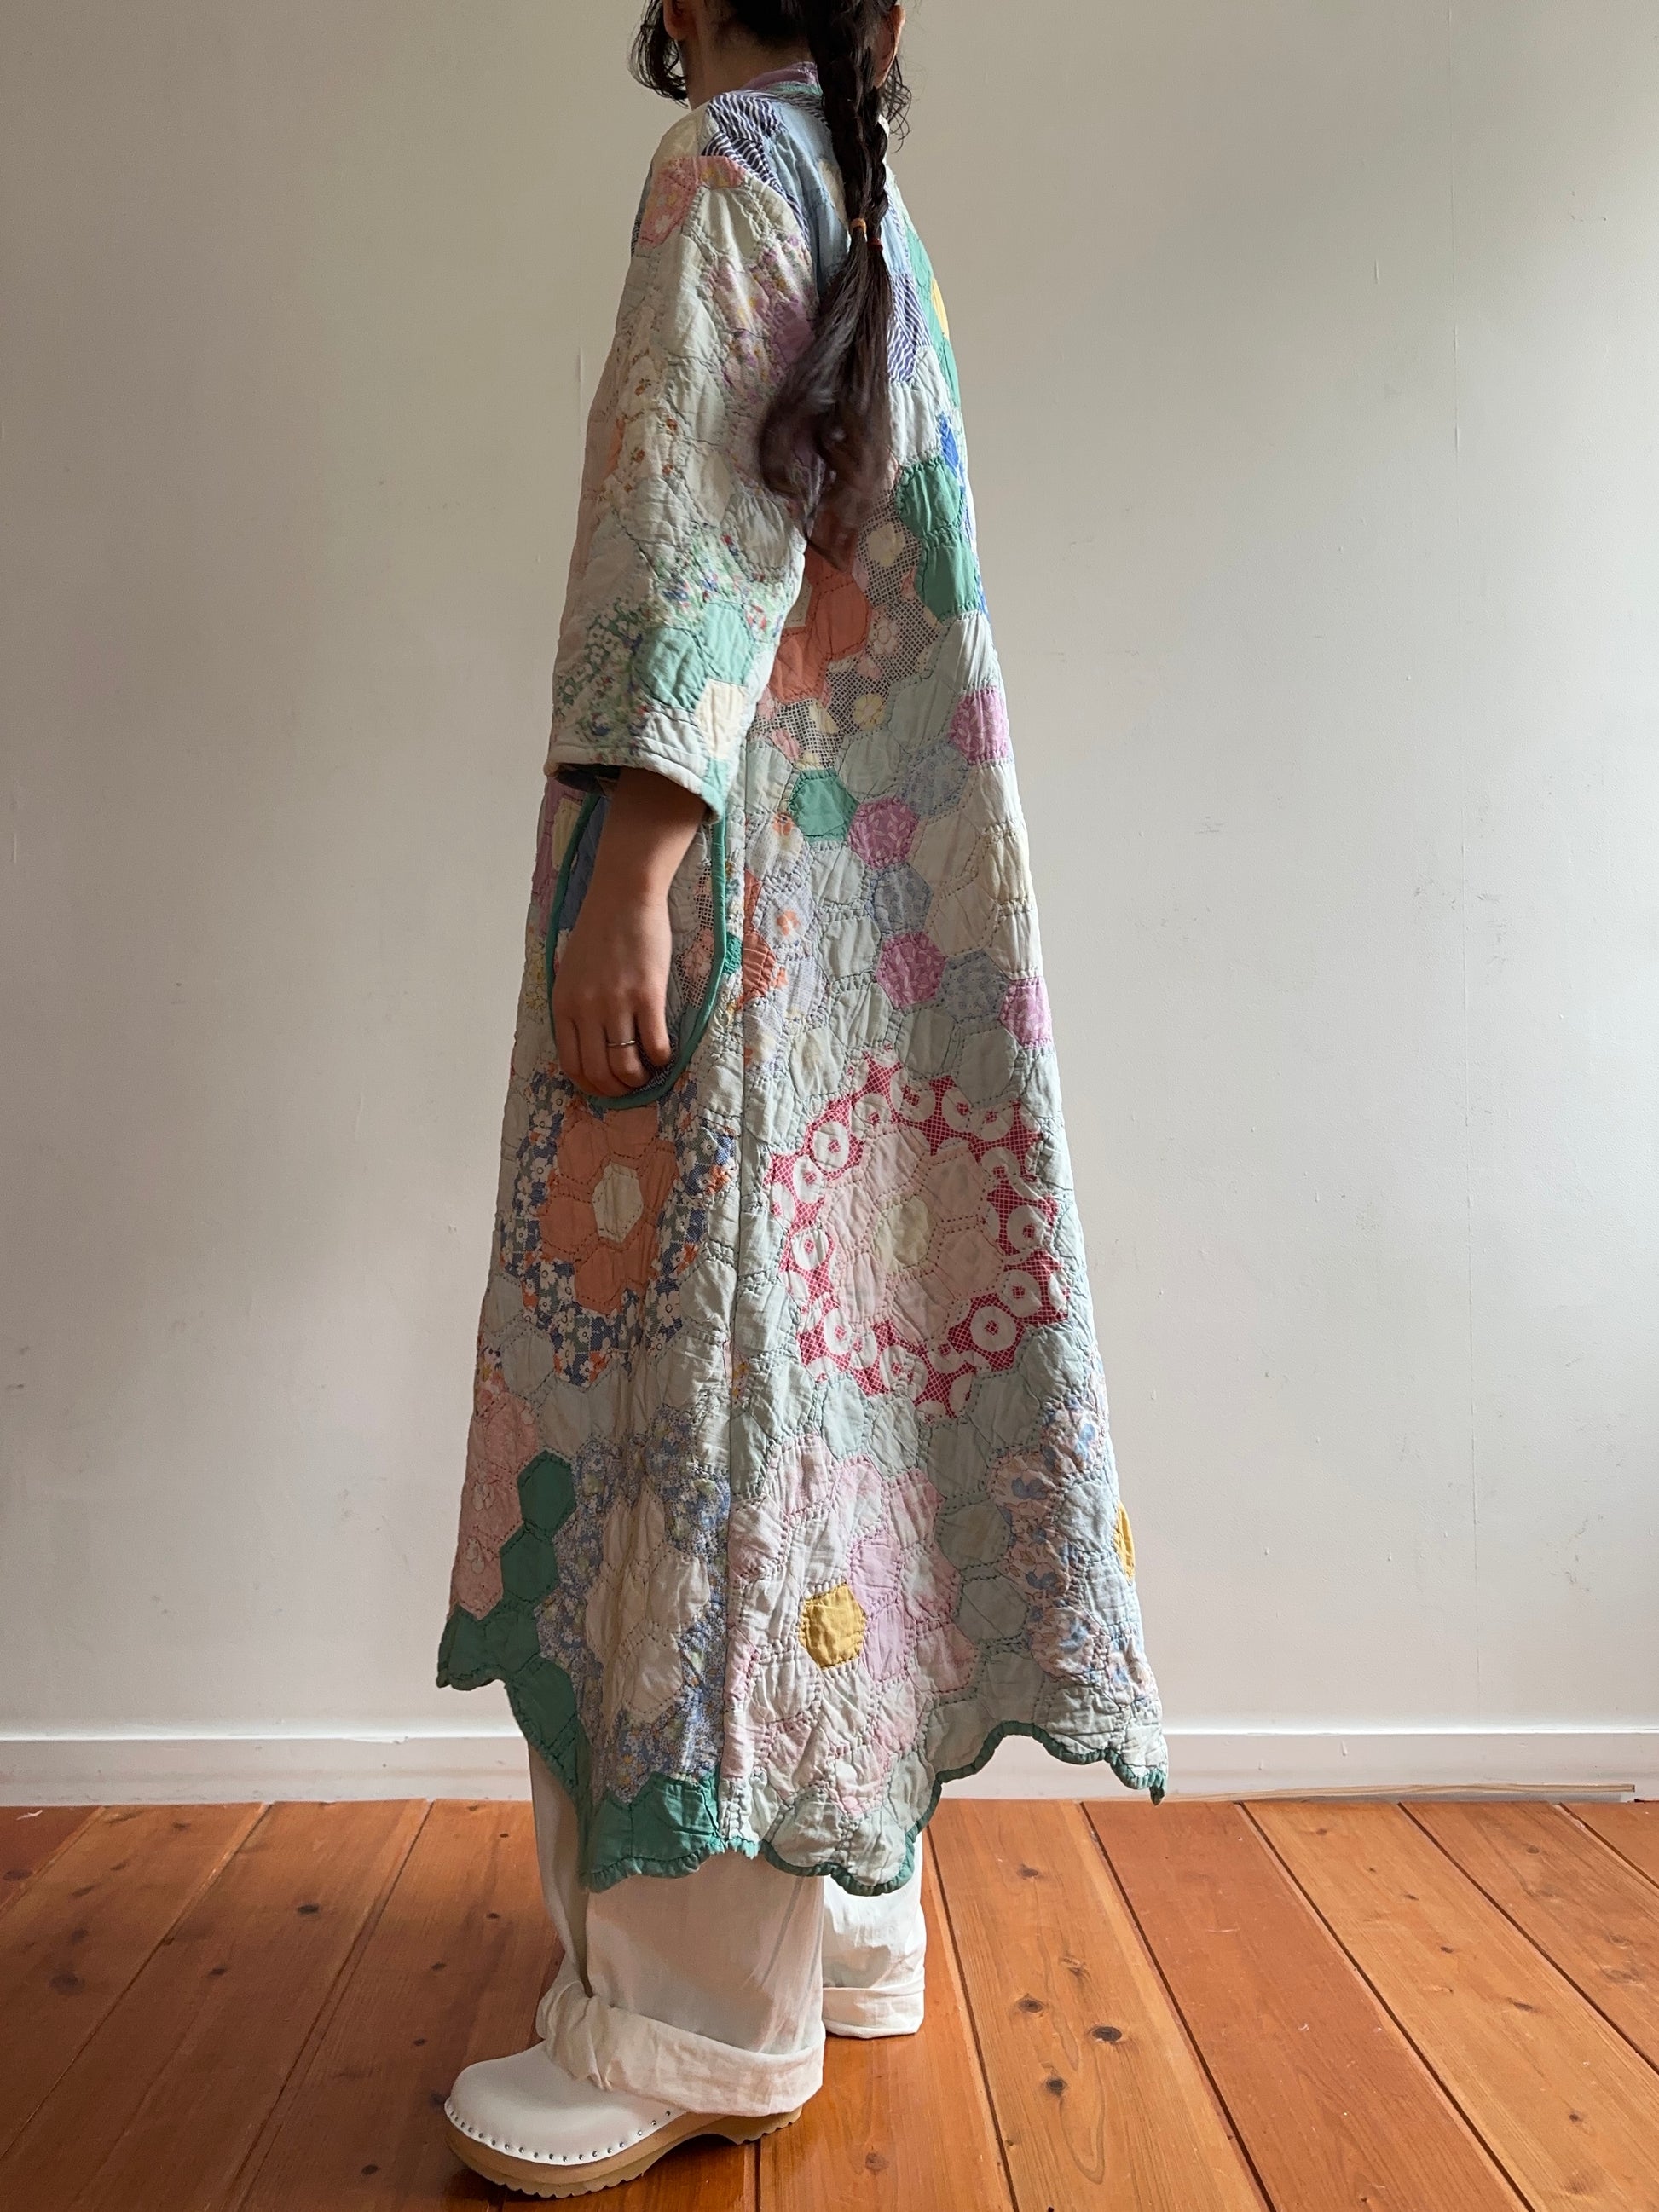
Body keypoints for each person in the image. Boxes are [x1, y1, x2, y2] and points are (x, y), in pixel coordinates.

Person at [437, 0, 1166, 2193]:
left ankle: (686, 2011)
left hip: (737, 895)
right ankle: (845, 1916)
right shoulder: (861, 197)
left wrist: (630, 874)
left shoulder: (717, 179)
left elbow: (697, 541)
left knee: (700, 1394)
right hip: (872, 937)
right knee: (831, 1383)